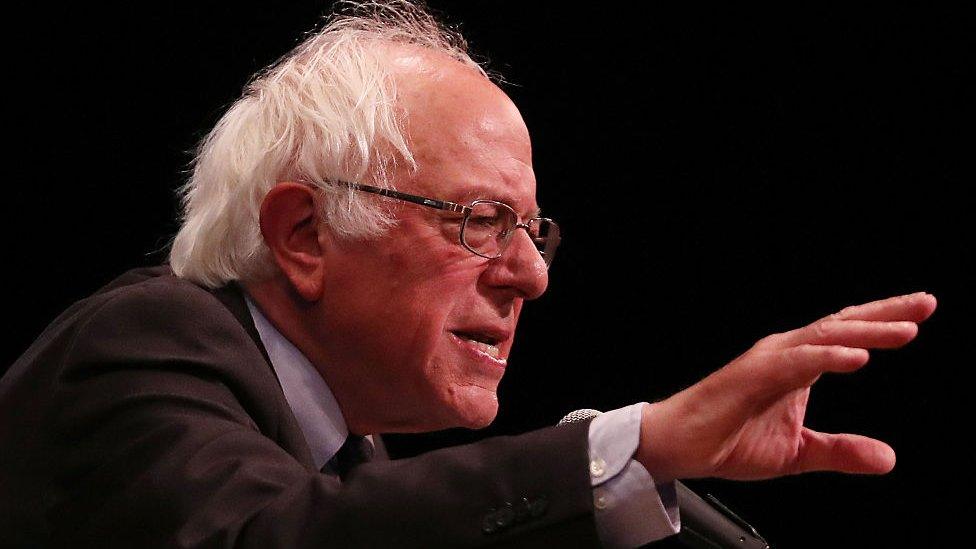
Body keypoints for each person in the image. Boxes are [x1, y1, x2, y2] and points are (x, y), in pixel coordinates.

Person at [0, 2, 937, 547]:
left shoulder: (348, 452)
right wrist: (632, 445)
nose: (530, 274)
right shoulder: (142, 344)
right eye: (482, 221)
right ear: (304, 233)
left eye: (534, 231)